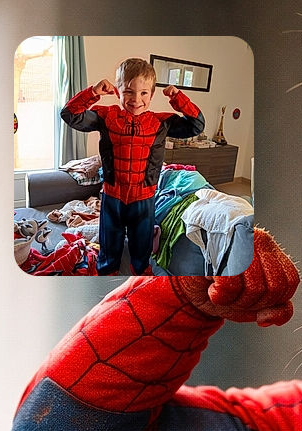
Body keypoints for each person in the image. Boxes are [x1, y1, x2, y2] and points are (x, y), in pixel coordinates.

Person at [61, 57, 204, 275]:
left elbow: (196, 125)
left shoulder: (161, 122)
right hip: (113, 196)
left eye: (144, 92)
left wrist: (178, 98)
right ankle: (105, 278)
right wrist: (93, 92)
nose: (136, 99)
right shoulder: (107, 117)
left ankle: (141, 274)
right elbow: (70, 114)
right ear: (117, 91)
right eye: (128, 91)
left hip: (144, 198)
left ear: (152, 94)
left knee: (141, 245)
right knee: (109, 244)